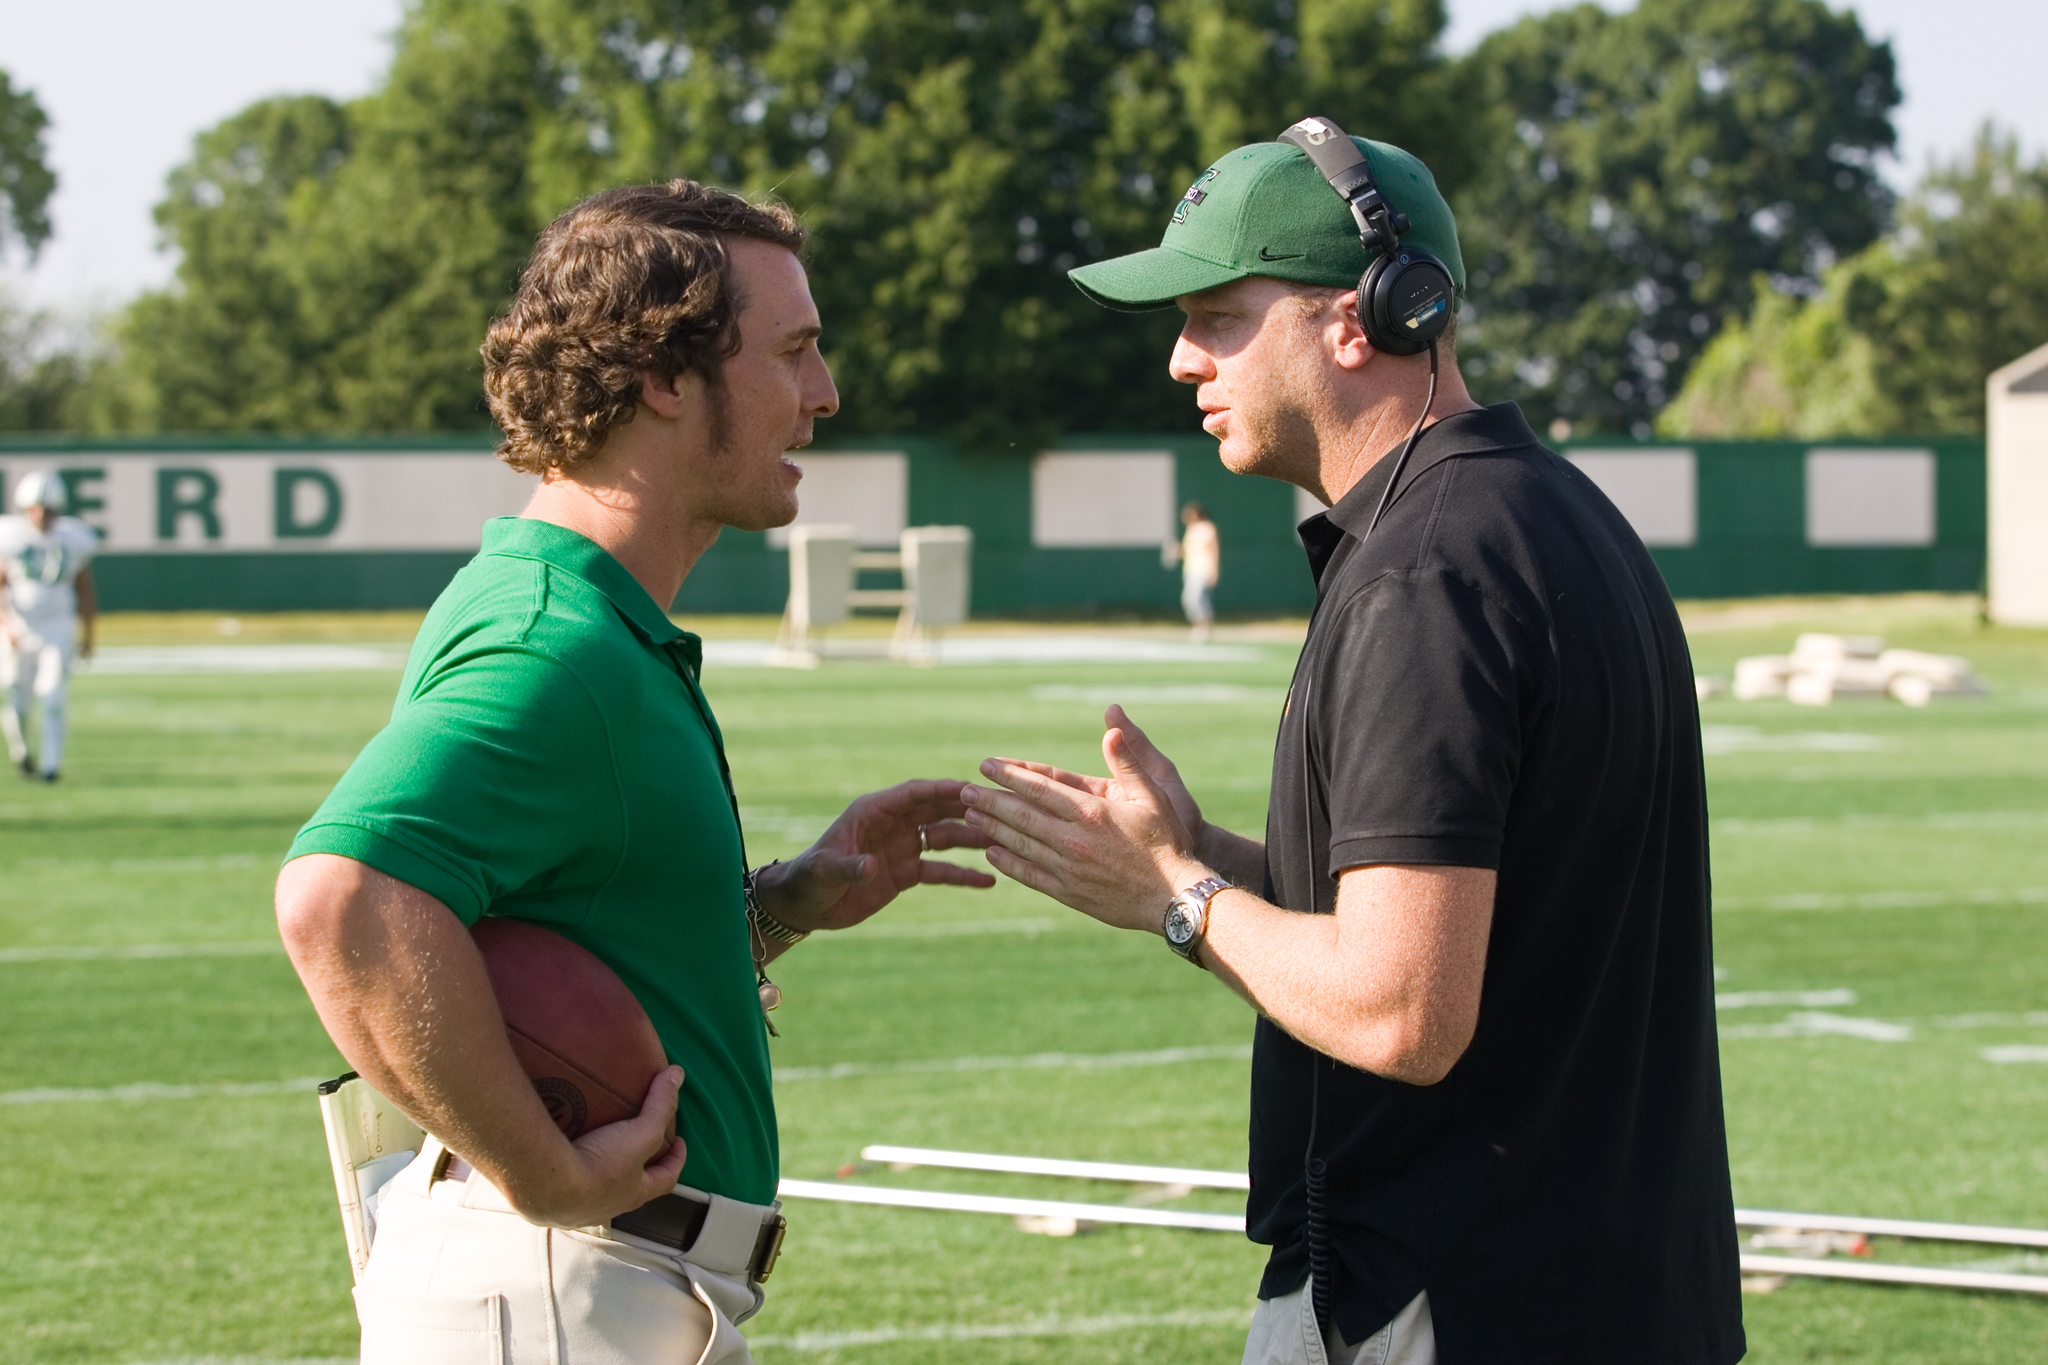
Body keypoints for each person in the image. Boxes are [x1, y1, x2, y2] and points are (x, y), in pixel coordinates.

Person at [960, 125, 1743, 1364]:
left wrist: (1175, 897)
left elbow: (1400, 1012)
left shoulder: (1420, 574)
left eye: (1216, 314)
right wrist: (1192, 848)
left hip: (1449, 1300)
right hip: (1609, 1289)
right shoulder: (1549, 514)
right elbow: (1459, 909)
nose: (1178, 358)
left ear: (1358, 318)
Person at [274, 180, 994, 1364]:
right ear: (662, 376)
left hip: (584, 1284)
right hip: (559, 1282)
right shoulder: (557, 644)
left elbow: (558, 926)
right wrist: (541, 1170)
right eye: (794, 353)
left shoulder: (574, 610)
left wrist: (769, 908)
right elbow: (341, 897)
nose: (823, 395)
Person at [0, 470, 98, 782]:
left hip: (57, 626)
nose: (43, 515)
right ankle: (23, 753)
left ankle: (51, 766)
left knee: (54, 695)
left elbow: (85, 589)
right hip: (19, 626)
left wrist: (88, 635)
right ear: (25, 509)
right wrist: (7, 625)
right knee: (15, 697)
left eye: (49, 509)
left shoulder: (74, 538)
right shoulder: (10, 536)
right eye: (37, 508)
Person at [1172, 501, 1220, 640]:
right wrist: (1176, 550)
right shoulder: (1191, 529)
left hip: (1203, 568)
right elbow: (1186, 551)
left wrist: (1214, 570)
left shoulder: (1208, 528)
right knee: (1189, 599)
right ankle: (1199, 626)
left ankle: (1204, 628)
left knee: (1198, 599)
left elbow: (1214, 550)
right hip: (1190, 569)